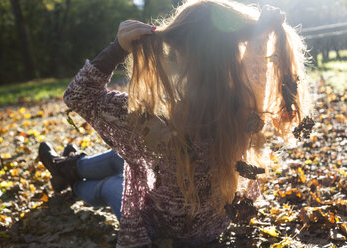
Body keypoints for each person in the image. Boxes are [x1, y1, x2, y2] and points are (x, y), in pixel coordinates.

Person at [39, 0, 309, 247]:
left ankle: (70, 183)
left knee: (112, 184)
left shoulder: (159, 119)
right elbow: (257, 66)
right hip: (215, 224)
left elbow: (78, 95)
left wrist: (117, 48)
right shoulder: (247, 105)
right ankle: (69, 166)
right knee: (123, 157)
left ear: (180, 53)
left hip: (165, 230)